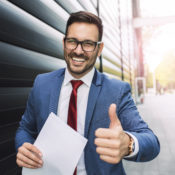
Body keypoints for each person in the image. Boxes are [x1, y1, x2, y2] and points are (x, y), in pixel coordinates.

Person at [15, 11, 160, 175]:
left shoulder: (117, 90)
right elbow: (25, 129)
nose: (78, 51)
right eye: (72, 41)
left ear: (99, 49)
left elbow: (152, 142)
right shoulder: (42, 83)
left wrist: (128, 144)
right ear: (64, 43)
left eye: (88, 44)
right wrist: (24, 147)